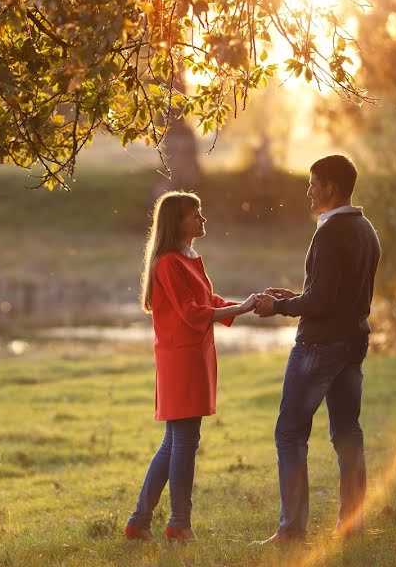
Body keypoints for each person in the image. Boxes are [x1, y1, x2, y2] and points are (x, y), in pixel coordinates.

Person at [254, 155, 381, 544]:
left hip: (319, 346)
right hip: (353, 342)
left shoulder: (329, 232)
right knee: (347, 432)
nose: (308, 191)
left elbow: (323, 301)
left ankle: (292, 529)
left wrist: (278, 306)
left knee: (290, 432)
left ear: (330, 187)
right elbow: (334, 296)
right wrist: (296, 297)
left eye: (313, 183)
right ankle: (352, 524)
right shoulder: (366, 229)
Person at [125, 191, 258, 542]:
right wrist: (240, 309)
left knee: (175, 441)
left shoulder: (189, 256)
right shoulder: (169, 262)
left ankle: (139, 523)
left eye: (201, 213)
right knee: (184, 440)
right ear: (177, 222)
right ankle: (179, 523)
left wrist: (245, 304)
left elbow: (206, 301)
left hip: (194, 355)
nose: (202, 219)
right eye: (195, 215)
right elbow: (193, 313)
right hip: (181, 358)